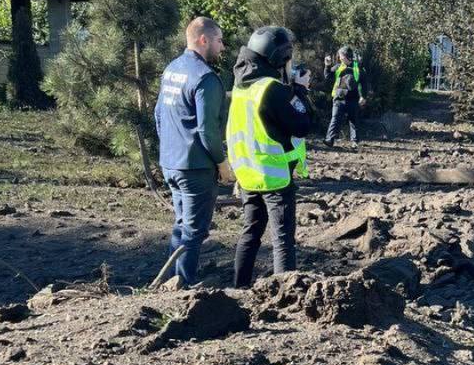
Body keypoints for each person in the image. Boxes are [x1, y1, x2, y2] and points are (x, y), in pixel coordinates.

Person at [227, 26, 313, 287]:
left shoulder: (242, 86)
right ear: (279, 57)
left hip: (248, 175)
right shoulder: (271, 89)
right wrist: (300, 90)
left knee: (250, 233)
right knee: (282, 238)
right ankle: (285, 293)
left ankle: (239, 287)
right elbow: (303, 124)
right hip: (274, 177)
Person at [154, 16, 232, 287]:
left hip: (171, 163)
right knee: (194, 230)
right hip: (195, 167)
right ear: (204, 40)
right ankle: (183, 286)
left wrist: (168, 150)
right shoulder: (205, 78)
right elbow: (207, 130)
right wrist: (222, 164)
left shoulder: (172, 69)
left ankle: (172, 280)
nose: (222, 47)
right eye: (220, 40)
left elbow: (158, 115)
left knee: (181, 224)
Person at [325, 45, 365, 147]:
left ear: (345, 56)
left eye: (340, 55)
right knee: (335, 118)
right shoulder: (338, 67)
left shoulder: (357, 67)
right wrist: (327, 66)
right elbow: (328, 77)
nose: (339, 57)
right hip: (339, 98)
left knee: (353, 120)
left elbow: (363, 83)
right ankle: (330, 140)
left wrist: (363, 96)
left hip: (353, 98)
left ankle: (355, 142)